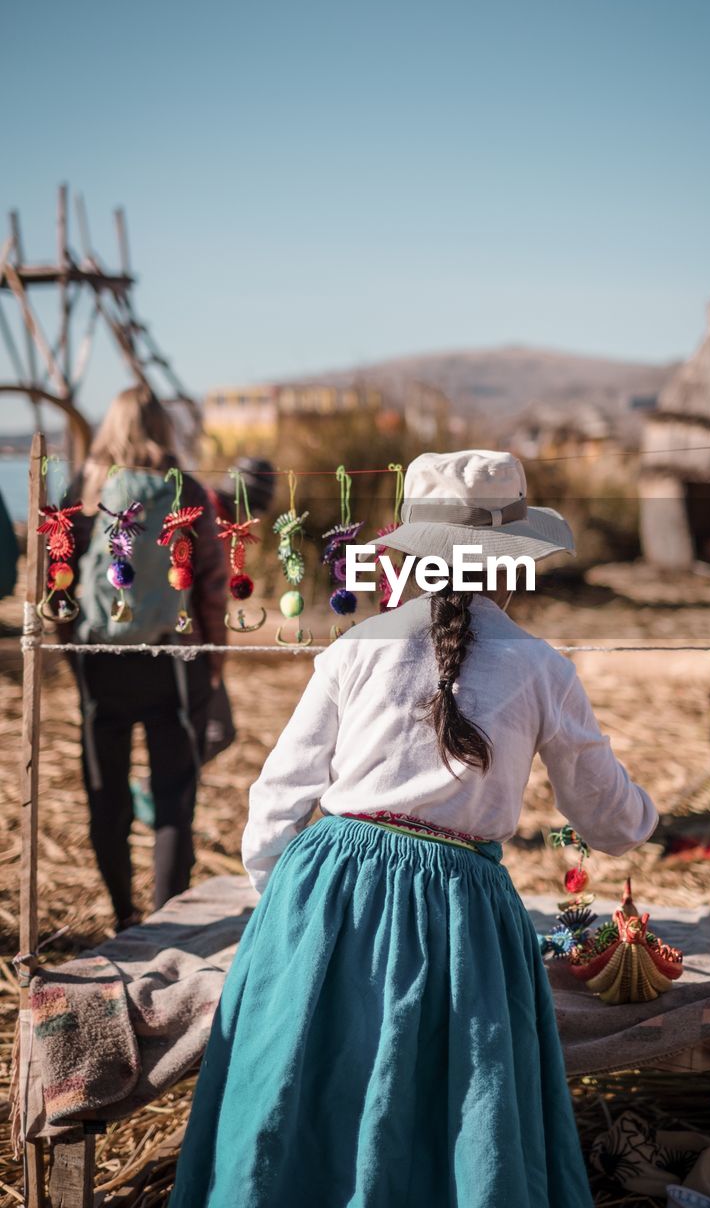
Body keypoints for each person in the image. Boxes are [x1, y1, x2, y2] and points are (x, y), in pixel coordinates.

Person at [170, 449, 657, 1208]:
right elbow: (608, 820)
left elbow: (278, 796)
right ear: (509, 563)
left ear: (414, 551)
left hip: (324, 889)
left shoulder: (355, 646)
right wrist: (643, 817)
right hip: (458, 910)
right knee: (457, 1099)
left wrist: (286, 908)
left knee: (306, 1086)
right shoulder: (540, 666)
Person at [64, 385, 227, 930]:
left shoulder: (83, 491)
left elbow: (57, 582)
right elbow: (209, 584)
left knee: (104, 790)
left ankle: (121, 916)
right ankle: (164, 923)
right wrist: (216, 658)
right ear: (164, 428)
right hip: (173, 657)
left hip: (99, 659)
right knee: (174, 794)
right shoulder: (189, 494)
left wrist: (75, 654)